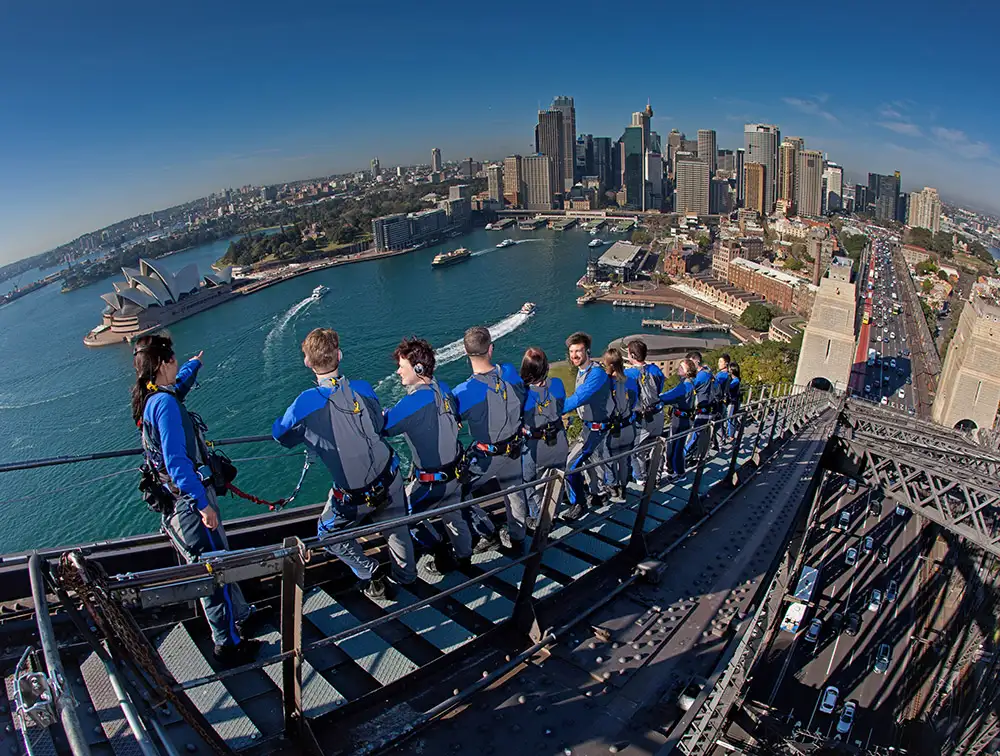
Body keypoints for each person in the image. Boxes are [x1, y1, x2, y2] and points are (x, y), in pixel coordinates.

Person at [132, 334, 260, 666]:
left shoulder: (153, 397)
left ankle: (241, 615)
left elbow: (179, 388)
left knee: (219, 562)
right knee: (214, 573)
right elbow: (176, 463)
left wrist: (194, 365)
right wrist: (202, 504)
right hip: (189, 505)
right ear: (161, 364)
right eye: (173, 360)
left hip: (175, 503)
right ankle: (227, 644)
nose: (176, 364)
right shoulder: (165, 405)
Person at [273, 328, 416, 600]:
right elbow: (378, 424)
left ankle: (370, 573)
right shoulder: (362, 388)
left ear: (307, 362)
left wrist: (308, 433)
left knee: (328, 533)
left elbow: (281, 435)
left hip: (356, 495)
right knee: (396, 528)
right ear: (339, 355)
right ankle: (407, 578)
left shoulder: (304, 403)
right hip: (390, 474)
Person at [382, 337, 473, 574]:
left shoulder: (413, 401)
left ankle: (440, 551)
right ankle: (464, 559)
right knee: (454, 517)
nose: (398, 371)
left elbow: (384, 426)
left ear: (418, 368)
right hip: (455, 474)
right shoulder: (443, 389)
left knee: (403, 518)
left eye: (402, 366)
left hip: (433, 484)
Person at [453, 326, 528, 554]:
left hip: (487, 455)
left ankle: (486, 531)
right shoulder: (510, 372)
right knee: (515, 492)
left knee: (458, 493)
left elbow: (448, 418)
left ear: (466, 354)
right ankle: (518, 539)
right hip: (515, 447)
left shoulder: (464, 391)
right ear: (491, 349)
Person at [562, 332, 614, 521]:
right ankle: (597, 494)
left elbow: (578, 398)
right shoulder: (584, 371)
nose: (574, 355)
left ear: (587, 351)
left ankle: (579, 504)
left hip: (597, 430)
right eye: (571, 351)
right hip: (590, 426)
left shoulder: (596, 374)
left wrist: (551, 410)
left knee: (570, 465)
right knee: (592, 465)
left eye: (578, 351)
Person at [517, 347, 568, 529]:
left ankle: (537, 518)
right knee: (558, 479)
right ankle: (553, 513)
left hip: (536, 446)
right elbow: (561, 406)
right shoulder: (557, 384)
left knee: (528, 483)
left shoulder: (522, 393)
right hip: (559, 440)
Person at [624, 339, 666, 487]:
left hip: (642, 419)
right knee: (656, 446)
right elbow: (660, 387)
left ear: (633, 356)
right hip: (658, 413)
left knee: (636, 451)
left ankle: (641, 480)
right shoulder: (655, 370)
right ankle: (656, 476)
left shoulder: (628, 374)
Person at [601, 347, 638, 501]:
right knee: (625, 460)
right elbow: (635, 399)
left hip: (612, 429)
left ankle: (612, 486)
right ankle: (623, 487)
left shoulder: (603, 383)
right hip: (628, 426)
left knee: (608, 457)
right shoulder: (629, 380)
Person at [660, 359, 697, 482]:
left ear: (688, 371)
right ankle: (673, 470)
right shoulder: (688, 383)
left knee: (676, 447)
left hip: (680, 420)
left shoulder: (685, 385)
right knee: (675, 446)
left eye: (682, 367)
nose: (679, 369)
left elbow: (669, 396)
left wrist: (656, 398)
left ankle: (678, 472)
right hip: (684, 418)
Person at [683, 351, 715, 458]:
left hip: (702, 409)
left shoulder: (701, 376)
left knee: (693, 435)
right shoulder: (707, 373)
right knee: (696, 434)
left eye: (691, 363)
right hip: (705, 409)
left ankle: (683, 456)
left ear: (697, 361)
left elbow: (687, 387)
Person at [711, 353, 732, 450]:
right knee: (719, 424)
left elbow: (715, 387)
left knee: (716, 425)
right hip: (723, 402)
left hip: (718, 403)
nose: (719, 363)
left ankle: (718, 445)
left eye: (721, 362)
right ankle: (719, 444)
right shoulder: (727, 375)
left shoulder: (721, 376)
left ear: (726, 363)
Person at [726, 362, 742, 440]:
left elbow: (729, 387)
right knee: (730, 418)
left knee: (730, 418)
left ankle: (731, 435)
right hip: (733, 401)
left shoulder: (736, 380)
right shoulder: (735, 379)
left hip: (733, 401)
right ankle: (730, 433)